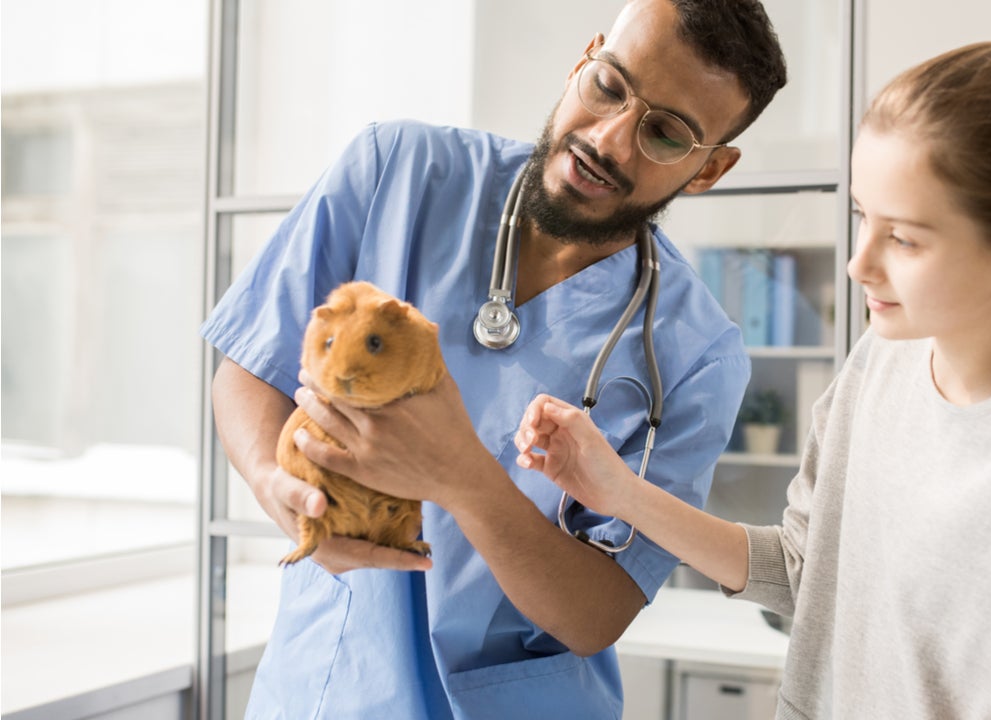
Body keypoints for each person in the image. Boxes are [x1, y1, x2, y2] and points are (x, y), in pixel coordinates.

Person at [516, 41, 991, 719]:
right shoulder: (879, 367)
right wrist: (618, 492)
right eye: (861, 219)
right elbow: (802, 570)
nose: (859, 265)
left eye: (904, 238)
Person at [200, 0, 787, 717]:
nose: (607, 139)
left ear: (709, 170)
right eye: (609, 86)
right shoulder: (399, 169)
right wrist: (275, 486)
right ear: (585, 60)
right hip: (329, 684)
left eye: (664, 134)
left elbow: (598, 613)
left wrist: (463, 479)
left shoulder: (698, 356)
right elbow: (249, 364)